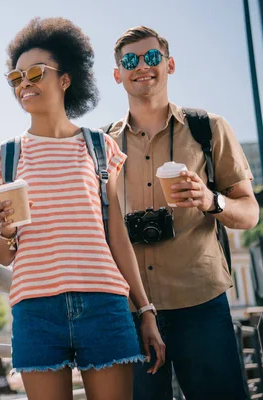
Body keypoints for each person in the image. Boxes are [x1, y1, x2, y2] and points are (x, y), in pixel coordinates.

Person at [0, 17, 165, 400]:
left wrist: (145, 310)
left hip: (104, 305)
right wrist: (6, 231)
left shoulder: (100, 148)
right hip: (35, 312)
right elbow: (2, 255)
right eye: (16, 78)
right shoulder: (6, 158)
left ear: (66, 79)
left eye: (35, 73)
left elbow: (117, 237)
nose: (24, 84)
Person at [107, 25, 260, 400]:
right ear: (118, 74)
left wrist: (211, 200)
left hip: (202, 303)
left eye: (152, 57)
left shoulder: (208, 129)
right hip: (132, 310)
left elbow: (250, 212)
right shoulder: (103, 145)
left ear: (170, 64)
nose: (142, 66)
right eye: (130, 60)